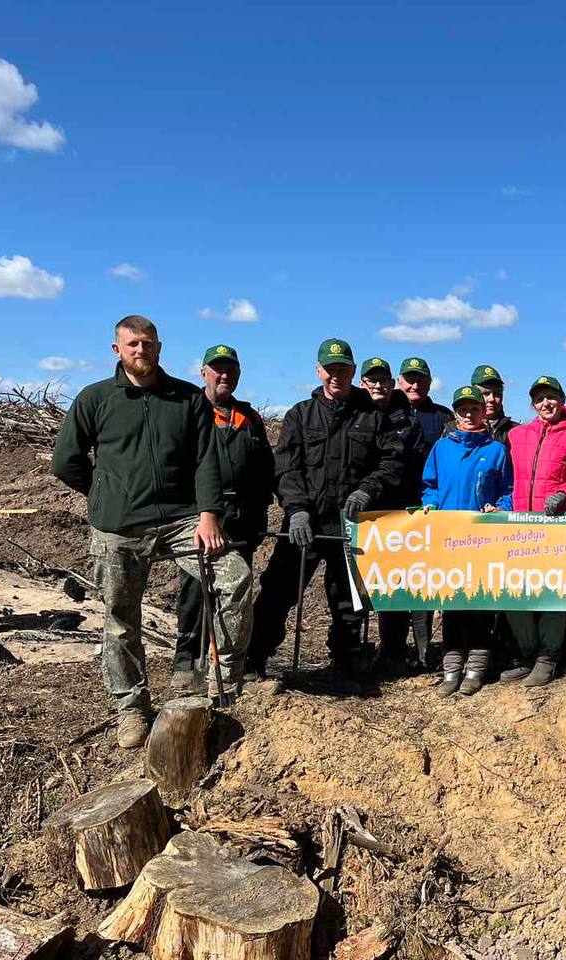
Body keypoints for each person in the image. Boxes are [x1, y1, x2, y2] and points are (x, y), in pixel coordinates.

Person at [51, 316, 253, 748]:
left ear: (159, 348)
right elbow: (66, 460)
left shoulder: (186, 399)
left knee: (235, 579)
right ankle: (131, 708)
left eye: (148, 343)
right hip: (119, 526)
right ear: (117, 349)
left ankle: (224, 685)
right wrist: (105, 493)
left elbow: (207, 462)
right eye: (132, 344)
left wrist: (209, 515)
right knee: (121, 619)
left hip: (183, 519)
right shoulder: (95, 398)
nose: (140, 350)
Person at [246, 339, 408, 678]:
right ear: (320, 371)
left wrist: (367, 490)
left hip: (350, 526)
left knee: (349, 600)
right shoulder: (300, 415)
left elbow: (393, 461)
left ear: (353, 371)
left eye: (343, 369)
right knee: (277, 592)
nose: (337, 376)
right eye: (330, 369)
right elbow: (286, 467)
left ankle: (346, 663)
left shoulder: (374, 417)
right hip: (305, 524)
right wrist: (298, 509)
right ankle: (254, 660)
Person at [171, 344, 274, 693]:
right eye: (217, 369)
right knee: (195, 590)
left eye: (231, 369)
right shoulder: (188, 411)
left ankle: (228, 664)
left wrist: (260, 513)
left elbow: (264, 471)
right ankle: (187, 661)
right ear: (203, 373)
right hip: (199, 517)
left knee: (236, 593)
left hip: (242, 519)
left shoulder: (250, 418)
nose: (224, 375)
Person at [504, 376, 566, 687]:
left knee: (553, 593)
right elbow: (508, 481)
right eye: (540, 398)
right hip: (519, 529)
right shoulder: (516, 436)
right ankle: (527, 653)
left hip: (556, 531)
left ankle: (548, 656)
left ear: (561, 400)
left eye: (551, 397)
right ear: (533, 404)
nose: (546, 403)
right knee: (515, 593)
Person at [420, 385, 514, 697]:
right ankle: (451, 668)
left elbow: (507, 490)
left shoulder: (496, 450)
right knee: (451, 603)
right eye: (463, 410)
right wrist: (431, 503)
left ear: (483, 411)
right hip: (448, 539)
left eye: (474, 409)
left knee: (480, 603)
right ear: (456, 413)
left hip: (483, 540)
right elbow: (429, 485)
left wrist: (501, 509)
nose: (469, 415)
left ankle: (476, 668)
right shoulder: (441, 448)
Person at [358, 357, 428, 674]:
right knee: (370, 585)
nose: (378, 386)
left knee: (405, 584)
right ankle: (378, 652)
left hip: (404, 512)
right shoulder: (355, 413)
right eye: (372, 380)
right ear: (363, 383)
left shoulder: (412, 421)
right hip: (363, 512)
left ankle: (408, 652)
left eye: (383, 380)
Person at [398, 356, 453, 451]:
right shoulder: (387, 413)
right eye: (410, 381)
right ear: (399, 382)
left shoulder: (445, 416)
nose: (415, 386)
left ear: (430, 382)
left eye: (420, 381)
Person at [471, 364, 518, 443]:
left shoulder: (516, 431)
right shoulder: (454, 431)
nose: (491, 399)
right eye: (486, 394)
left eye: (497, 394)